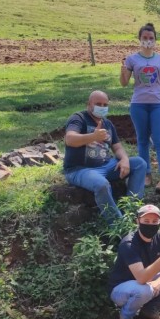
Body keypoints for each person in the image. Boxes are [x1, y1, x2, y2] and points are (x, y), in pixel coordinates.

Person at [63, 90, 147, 224]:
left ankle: (132, 211)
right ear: (88, 104)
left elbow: (117, 147)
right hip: (80, 169)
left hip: (106, 165)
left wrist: (124, 159)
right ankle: (119, 225)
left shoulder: (108, 124)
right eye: (98, 104)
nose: (102, 107)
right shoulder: (78, 118)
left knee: (139, 163)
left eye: (105, 104)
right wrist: (93, 137)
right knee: (101, 184)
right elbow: (70, 139)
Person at [120, 23, 160, 191]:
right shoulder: (131, 59)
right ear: (140, 39)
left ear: (155, 39)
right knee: (142, 140)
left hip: (157, 104)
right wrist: (122, 70)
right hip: (138, 104)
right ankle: (147, 174)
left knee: (159, 140)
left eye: (151, 38)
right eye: (145, 38)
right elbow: (123, 83)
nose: (148, 41)